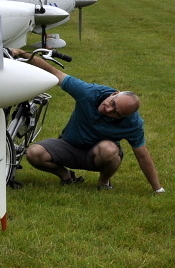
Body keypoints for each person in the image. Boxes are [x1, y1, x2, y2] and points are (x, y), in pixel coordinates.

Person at [14, 50, 164, 193]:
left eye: (116, 114)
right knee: (34, 153)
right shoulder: (88, 92)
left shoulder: (133, 124)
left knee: (110, 150)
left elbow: (143, 155)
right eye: (112, 104)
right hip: (69, 145)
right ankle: (66, 176)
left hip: (98, 155)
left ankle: (104, 182)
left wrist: (158, 189)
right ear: (114, 94)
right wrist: (21, 53)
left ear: (123, 117)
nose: (108, 110)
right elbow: (54, 72)